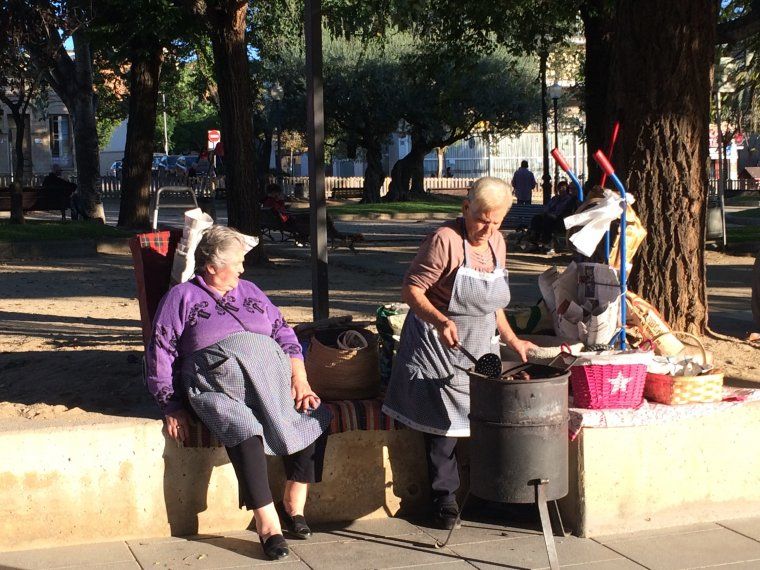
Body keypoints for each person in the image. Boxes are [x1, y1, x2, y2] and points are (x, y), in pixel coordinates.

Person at [146, 226, 332, 561]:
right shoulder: (182, 297)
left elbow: (284, 332)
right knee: (244, 431)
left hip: (269, 381)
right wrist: (171, 404)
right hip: (216, 386)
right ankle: (268, 525)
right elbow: (162, 350)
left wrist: (300, 379)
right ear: (212, 267)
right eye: (237, 263)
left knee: (312, 414)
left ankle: (294, 500)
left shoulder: (250, 291)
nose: (243, 269)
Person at [382, 177, 537, 530]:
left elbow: (494, 302)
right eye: (483, 218)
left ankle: (487, 495)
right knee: (445, 425)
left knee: (485, 419)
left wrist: (513, 340)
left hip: (481, 342)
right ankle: (444, 500)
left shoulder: (498, 242)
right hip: (438, 341)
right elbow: (411, 289)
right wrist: (439, 321)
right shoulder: (444, 240)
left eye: (497, 220)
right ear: (466, 207)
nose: (489, 227)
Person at [528, 180, 578, 252]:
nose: (561, 190)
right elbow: (547, 207)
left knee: (548, 220)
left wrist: (554, 215)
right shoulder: (555, 198)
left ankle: (546, 242)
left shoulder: (569, 199)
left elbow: (563, 210)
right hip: (550, 216)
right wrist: (545, 213)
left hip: (559, 219)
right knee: (537, 218)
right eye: (559, 188)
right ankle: (534, 240)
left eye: (563, 188)